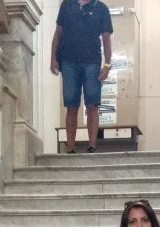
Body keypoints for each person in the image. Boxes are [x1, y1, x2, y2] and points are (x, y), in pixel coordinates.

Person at [50, 0, 113, 154]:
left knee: (92, 104)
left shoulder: (101, 9)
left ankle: (92, 146)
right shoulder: (67, 5)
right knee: (71, 105)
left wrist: (107, 65)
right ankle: (70, 147)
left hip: (92, 62)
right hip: (68, 62)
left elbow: (106, 38)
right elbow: (58, 33)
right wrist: (53, 59)